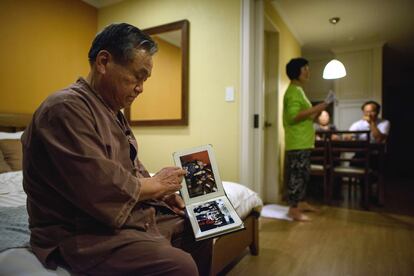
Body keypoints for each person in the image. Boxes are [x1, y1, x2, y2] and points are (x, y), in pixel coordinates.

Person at [21, 23, 211, 276]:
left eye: (145, 79)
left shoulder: (111, 111)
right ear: (103, 62)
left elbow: (132, 168)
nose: (141, 87)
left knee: (202, 227)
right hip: (79, 230)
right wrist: (157, 184)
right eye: (137, 76)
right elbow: (98, 186)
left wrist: (161, 194)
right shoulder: (64, 108)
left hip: (114, 218)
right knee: (181, 266)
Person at [283, 57, 336, 221]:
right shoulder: (293, 92)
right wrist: (319, 107)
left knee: (304, 174)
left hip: (304, 141)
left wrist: (320, 109)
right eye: (304, 69)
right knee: (297, 175)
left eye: (308, 68)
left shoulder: (299, 91)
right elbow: (293, 117)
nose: (308, 72)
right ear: (295, 72)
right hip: (297, 141)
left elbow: (306, 117)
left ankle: (301, 203)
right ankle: (293, 209)